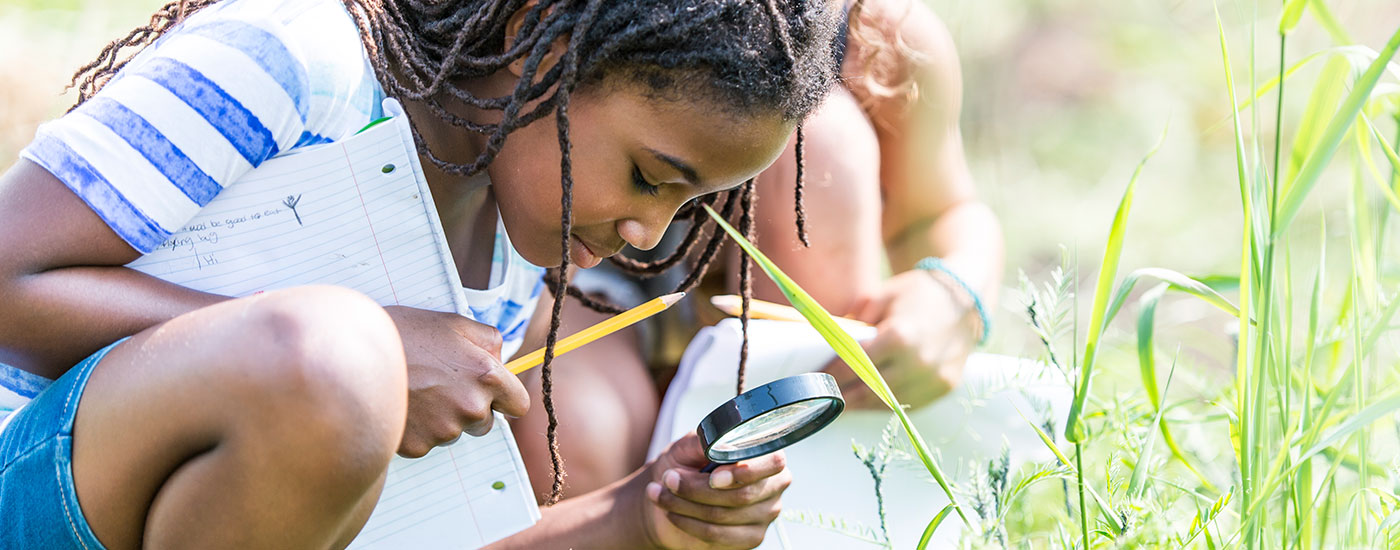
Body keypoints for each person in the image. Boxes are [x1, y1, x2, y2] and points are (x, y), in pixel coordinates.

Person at [0, 0, 845, 548]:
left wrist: (635, 517)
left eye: (688, 205)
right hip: (32, 480)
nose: (646, 235)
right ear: (537, 45)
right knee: (332, 358)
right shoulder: (300, 60)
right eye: (649, 177)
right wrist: (372, 351)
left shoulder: (512, 249)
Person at [511, 0, 1006, 504]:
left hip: (768, 305)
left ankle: (796, 480)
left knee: (820, 144)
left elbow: (941, 212)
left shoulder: (879, 36)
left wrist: (953, 295)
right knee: (572, 434)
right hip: (583, 278)